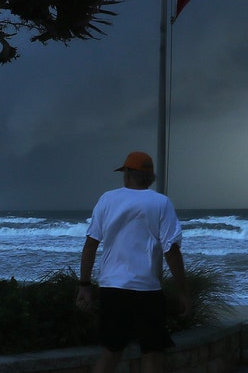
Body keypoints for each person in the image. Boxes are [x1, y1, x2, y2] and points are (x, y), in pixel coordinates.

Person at [75, 151, 190, 373]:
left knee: (111, 352)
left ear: (127, 174)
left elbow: (91, 244)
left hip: (112, 288)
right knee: (152, 353)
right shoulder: (161, 203)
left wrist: (84, 285)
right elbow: (172, 251)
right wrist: (183, 291)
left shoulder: (107, 199)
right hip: (147, 289)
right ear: (151, 178)